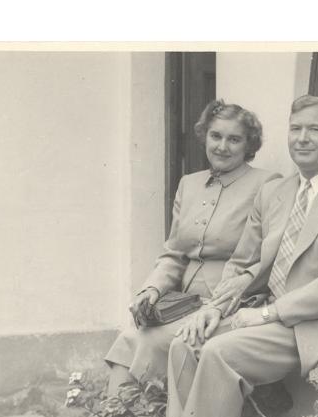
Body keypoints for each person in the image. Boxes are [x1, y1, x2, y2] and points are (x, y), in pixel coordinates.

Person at [165, 95, 318, 417]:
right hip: (266, 317)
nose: (302, 138)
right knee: (184, 344)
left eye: (314, 129)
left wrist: (267, 314)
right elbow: (244, 263)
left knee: (218, 352)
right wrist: (215, 307)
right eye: (295, 129)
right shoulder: (275, 193)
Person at [104, 100, 280, 396]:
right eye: (216, 136)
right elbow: (174, 254)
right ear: (204, 136)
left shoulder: (266, 183)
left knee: (151, 342)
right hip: (182, 302)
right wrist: (151, 290)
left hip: (229, 301)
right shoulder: (189, 184)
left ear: (249, 144)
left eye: (234, 139)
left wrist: (224, 299)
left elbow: (268, 257)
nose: (222, 146)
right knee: (129, 336)